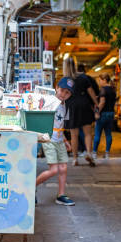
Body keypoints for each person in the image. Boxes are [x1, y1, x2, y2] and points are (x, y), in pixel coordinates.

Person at [35, 77, 75, 206]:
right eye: (62, 90)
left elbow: (61, 123)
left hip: (59, 140)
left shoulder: (65, 106)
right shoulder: (49, 102)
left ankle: (61, 194)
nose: (63, 94)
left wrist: (65, 139)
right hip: (49, 139)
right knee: (53, 170)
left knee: (63, 168)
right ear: (56, 88)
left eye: (67, 93)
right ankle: (31, 187)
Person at [64, 59, 98, 167]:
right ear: (75, 65)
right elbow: (91, 92)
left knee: (74, 135)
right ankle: (88, 153)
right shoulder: (83, 77)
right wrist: (96, 103)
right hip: (84, 105)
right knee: (87, 133)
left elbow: (62, 95)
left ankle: (75, 159)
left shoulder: (65, 80)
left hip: (72, 107)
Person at [92, 73, 117, 159]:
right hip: (111, 114)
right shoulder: (113, 89)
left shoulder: (103, 89)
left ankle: (94, 153)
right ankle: (107, 154)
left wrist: (97, 111)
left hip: (103, 114)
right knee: (108, 134)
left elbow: (102, 102)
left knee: (97, 133)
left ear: (104, 80)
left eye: (100, 80)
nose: (99, 82)